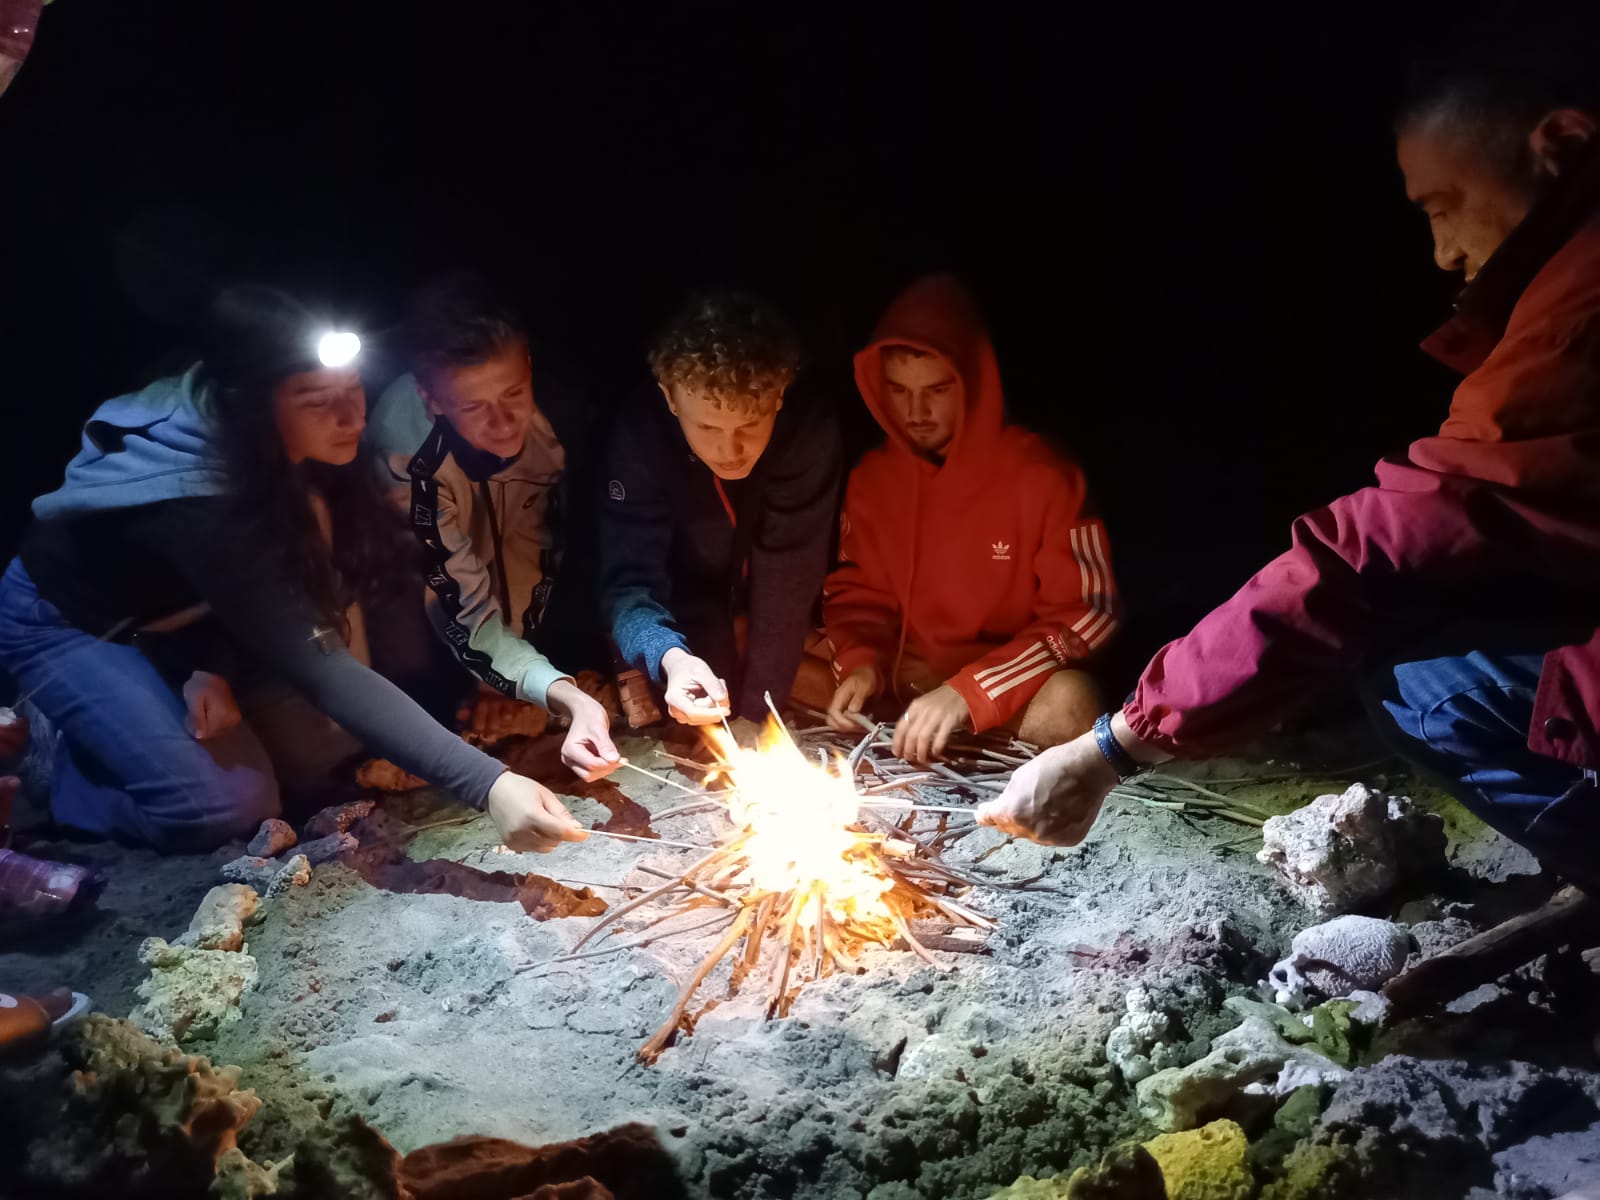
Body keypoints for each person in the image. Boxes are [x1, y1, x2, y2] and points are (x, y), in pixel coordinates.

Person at [979, 45, 1600, 895]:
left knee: (1415, 682)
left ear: (1560, 143)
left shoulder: (1575, 331)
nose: (1443, 256)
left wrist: (1116, 746)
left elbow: (1366, 551)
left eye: (1445, 207)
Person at [0, 286, 586, 855]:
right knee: (228, 806)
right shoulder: (201, 501)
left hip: (195, 613)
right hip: (75, 621)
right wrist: (490, 784)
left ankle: (153, 712)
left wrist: (212, 661)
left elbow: (278, 596)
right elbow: (320, 668)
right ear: (254, 404)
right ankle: (66, 776)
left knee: (321, 749)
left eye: (353, 387)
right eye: (315, 400)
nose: (349, 414)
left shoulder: (284, 444)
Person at [821, 275, 1119, 763]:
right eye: (898, 390)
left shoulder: (1042, 473)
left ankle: (934, 727)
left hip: (1002, 680)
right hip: (910, 673)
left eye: (936, 389)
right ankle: (919, 724)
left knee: (1074, 706)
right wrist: (862, 665)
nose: (916, 411)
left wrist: (971, 692)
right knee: (759, 653)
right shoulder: (873, 478)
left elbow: (1091, 615)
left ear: (973, 382)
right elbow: (857, 595)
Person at [368, 273, 619, 780]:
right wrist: (512, 680)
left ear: (528, 365)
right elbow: (456, 595)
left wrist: (520, 676)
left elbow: (537, 542)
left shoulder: (560, 407)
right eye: (475, 406)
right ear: (432, 399)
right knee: (426, 668)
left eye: (513, 392)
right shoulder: (404, 450)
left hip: (521, 572)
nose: (504, 422)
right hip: (414, 586)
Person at [598, 290, 842, 725]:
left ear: (781, 393)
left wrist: (756, 716)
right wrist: (670, 658)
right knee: (692, 708)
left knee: (788, 697)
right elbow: (629, 582)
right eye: (707, 426)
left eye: (749, 424)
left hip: (776, 608)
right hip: (683, 599)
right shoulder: (641, 433)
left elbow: (788, 577)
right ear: (670, 398)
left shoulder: (808, 429)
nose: (730, 450)